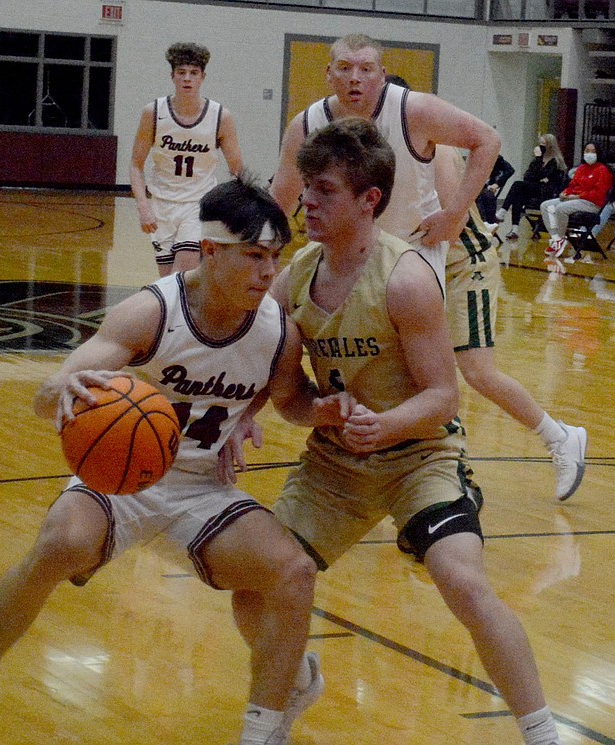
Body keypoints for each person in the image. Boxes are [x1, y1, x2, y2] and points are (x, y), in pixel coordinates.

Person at [0, 176, 347, 745]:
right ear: (212, 252)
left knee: (292, 572)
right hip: (120, 480)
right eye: (254, 256)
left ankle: (265, 732)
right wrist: (62, 390)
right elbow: (48, 396)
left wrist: (322, 412)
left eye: (275, 256)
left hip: (203, 488)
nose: (268, 272)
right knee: (58, 545)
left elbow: (290, 396)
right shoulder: (150, 312)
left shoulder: (278, 332)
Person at [234, 118, 563, 745]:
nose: (308, 202)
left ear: (369, 201)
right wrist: (310, 413)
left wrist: (384, 424)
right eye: (307, 188)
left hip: (419, 458)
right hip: (335, 466)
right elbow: (289, 399)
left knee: (464, 583)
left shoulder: (407, 280)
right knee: (256, 586)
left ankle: (542, 732)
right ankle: (296, 678)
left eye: (324, 191)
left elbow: (445, 397)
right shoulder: (292, 283)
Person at [269, 33, 500, 292]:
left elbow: (488, 140)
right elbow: (279, 203)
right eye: (345, 68)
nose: (354, 77)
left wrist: (453, 214)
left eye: (366, 69)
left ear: (382, 75)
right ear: (329, 73)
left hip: (411, 248)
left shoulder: (415, 110)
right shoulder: (305, 125)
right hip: (340, 251)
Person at [436, 145, 587, 500]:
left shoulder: (433, 149)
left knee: (477, 372)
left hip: (463, 267)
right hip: (426, 270)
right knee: (415, 374)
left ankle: (560, 438)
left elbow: (450, 221)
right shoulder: (375, 149)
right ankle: (446, 473)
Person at [129, 42, 243, 276]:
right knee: (167, 278)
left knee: (183, 272)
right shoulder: (154, 112)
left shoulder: (220, 116)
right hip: (161, 206)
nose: (187, 79)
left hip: (198, 205)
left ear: (203, 77)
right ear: (172, 76)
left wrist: (232, 207)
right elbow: (135, 165)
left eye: (193, 73)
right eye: (181, 73)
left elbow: (237, 169)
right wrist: (143, 206)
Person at [540, 141, 613, 259]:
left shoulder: (603, 170)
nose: (589, 154)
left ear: (598, 153)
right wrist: (565, 193)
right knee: (545, 205)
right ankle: (556, 238)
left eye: (593, 151)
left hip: (591, 203)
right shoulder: (581, 168)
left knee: (561, 208)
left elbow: (598, 193)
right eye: (587, 151)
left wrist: (578, 196)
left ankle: (560, 236)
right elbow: (572, 186)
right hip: (574, 199)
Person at [495, 134, 567, 240]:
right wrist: (540, 176)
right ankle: (514, 229)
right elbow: (527, 176)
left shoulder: (555, 161)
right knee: (518, 195)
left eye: (543, 144)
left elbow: (543, 175)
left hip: (546, 192)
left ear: (550, 145)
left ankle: (502, 212)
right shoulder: (537, 160)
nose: (541, 146)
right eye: (540, 143)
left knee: (517, 184)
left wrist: (539, 162)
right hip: (535, 188)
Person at [476, 153, 515, 228]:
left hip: (486, 187)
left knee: (485, 195)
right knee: (479, 195)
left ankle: (486, 222)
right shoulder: (476, 157)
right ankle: (483, 221)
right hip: (475, 186)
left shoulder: (497, 159)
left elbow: (510, 170)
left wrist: (498, 183)